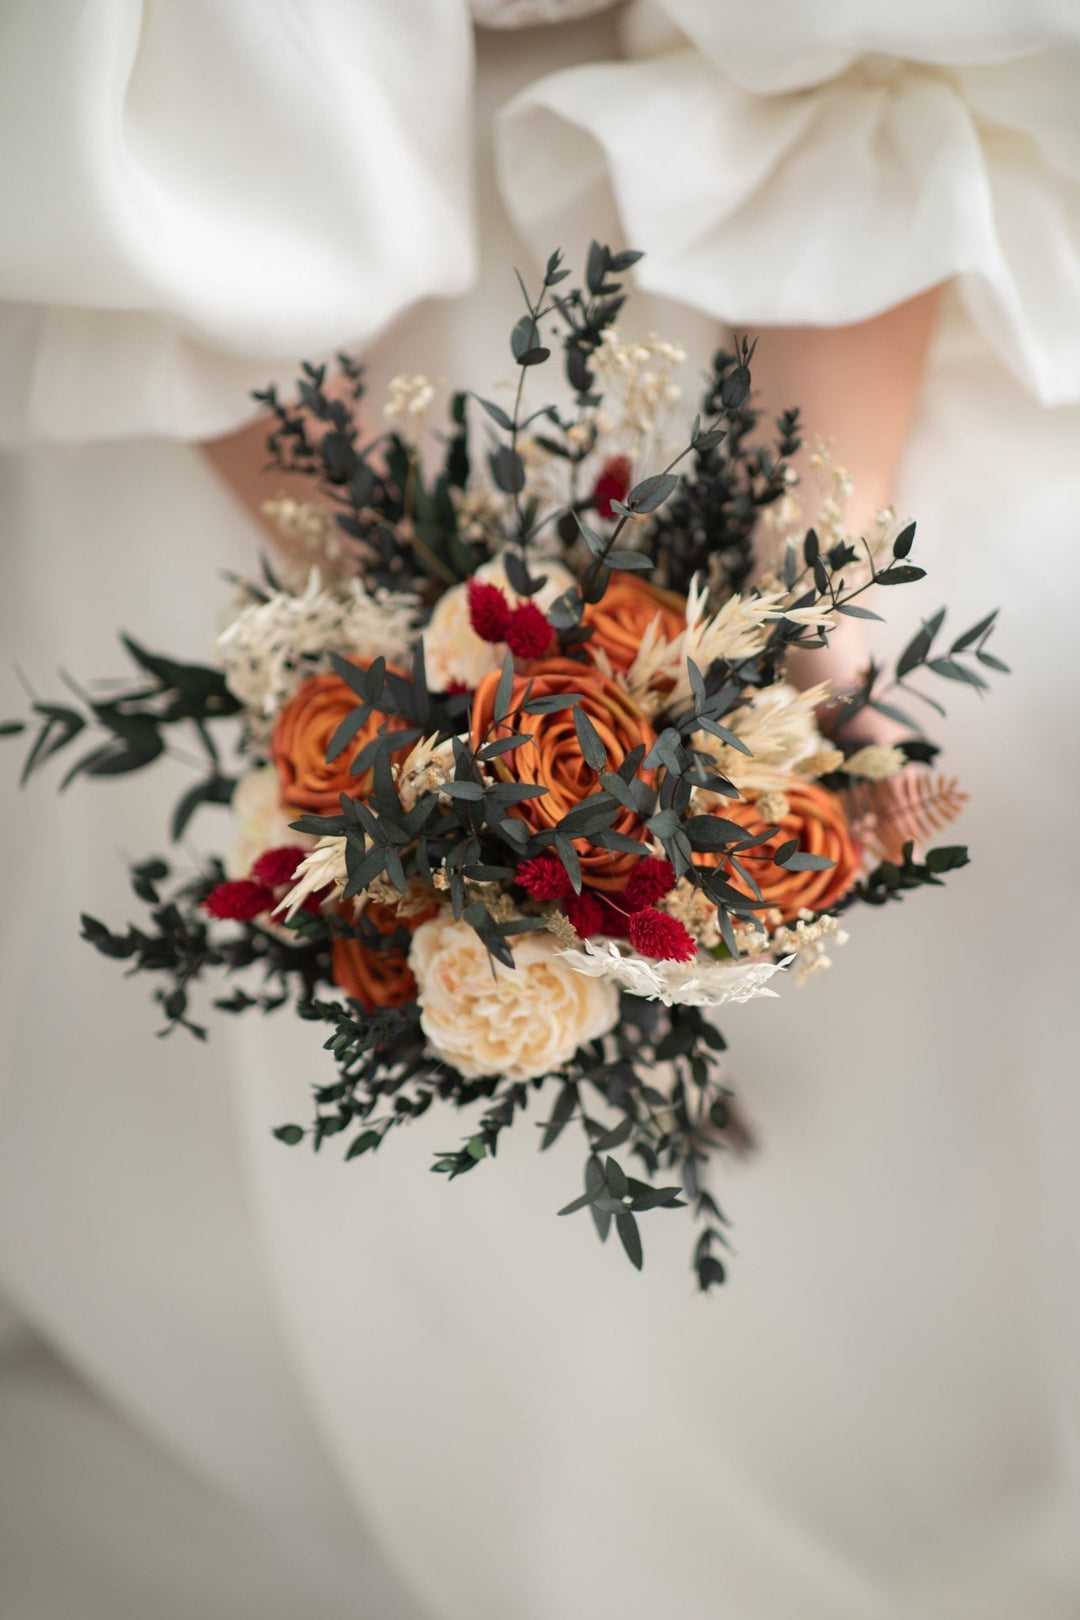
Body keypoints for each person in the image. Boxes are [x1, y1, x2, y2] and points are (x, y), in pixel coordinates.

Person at [1, 4, 1079, 1616]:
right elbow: (142, 171)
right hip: (290, 360)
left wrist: (796, 609)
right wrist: (420, 667)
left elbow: (896, 53)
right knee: (368, 1004)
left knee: (1001, 733)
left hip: (809, 251)